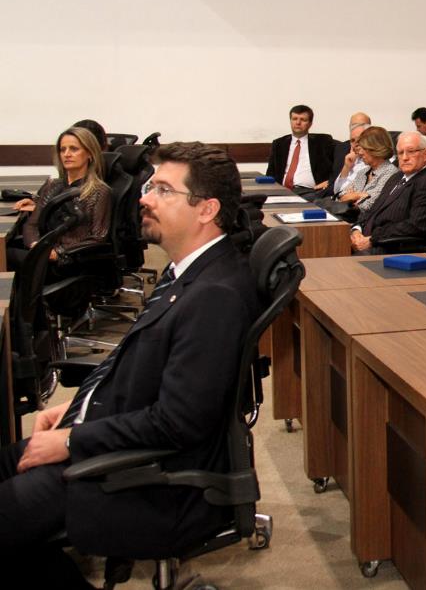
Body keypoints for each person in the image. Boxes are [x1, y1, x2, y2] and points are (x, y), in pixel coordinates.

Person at [0, 142, 259, 586]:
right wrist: (78, 406)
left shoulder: (214, 295)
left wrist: (72, 439)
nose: (144, 198)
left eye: (163, 190)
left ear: (206, 209)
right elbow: (138, 366)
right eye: (150, 186)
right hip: (112, 437)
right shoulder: (187, 274)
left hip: (149, 479)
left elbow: (178, 423)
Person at [8, 126, 111, 271]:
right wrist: (35, 245)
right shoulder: (52, 185)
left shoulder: (100, 191)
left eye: (74, 149)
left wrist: (58, 253)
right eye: (63, 150)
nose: (67, 154)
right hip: (44, 251)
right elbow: (32, 224)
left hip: (70, 259)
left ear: (89, 154)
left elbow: (98, 237)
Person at [349, 132, 426, 254]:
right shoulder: (396, 177)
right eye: (400, 153)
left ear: (425, 154)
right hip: (370, 239)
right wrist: (356, 229)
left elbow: (415, 226)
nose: (405, 157)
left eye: (411, 151)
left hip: (392, 247)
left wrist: (372, 239)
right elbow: (373, 209)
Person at [266, 104, 335, 199]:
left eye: (303, 120)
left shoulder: (322, 142)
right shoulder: (279, 144)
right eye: (294, 119)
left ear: (310, 123)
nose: (298, 122)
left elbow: (337, 166)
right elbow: (270, 173)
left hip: (310, 191)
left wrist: (330, 181)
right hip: (282, 191)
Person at [333, 126, 399, 214]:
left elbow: (368, 205)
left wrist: (352, 196)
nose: (360, 152)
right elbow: (339, 197)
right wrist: (359, 195)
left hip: (366, 220)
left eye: (364, 148)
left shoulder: (391, 173)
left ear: (376, 148)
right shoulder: (363, 172)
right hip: (348, 217)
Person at [328, 112, 372, 196]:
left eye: (361, 125)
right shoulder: (342, 149)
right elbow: (336, 189)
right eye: (352, 140)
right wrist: (346, 167)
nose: (356, 143)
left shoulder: (374, 160)